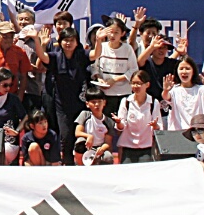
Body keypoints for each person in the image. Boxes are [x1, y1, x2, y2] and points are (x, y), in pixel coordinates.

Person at [42, 27, 91, 165]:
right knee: (65, 135)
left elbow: (95, 55)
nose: (68, 43)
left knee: (79, 136)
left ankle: (82, 162)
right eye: (65, 40)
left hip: (80, 102)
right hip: (61, 104)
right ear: (60, 42)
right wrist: (41, 43)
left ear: (77, 42)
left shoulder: (81, 55)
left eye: (71, 40)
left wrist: (99, 40)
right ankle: (67, 162)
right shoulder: (55, 57)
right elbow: (42, 57)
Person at [91, 19, 138, 113]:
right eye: (110, 32)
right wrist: (99, 78)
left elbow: (134, 70)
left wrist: (115, 80)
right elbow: (94, 67)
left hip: (123, 93)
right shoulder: (102, 47)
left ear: (122, 33)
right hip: (105, 94)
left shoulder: (127, 48)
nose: (112, 35)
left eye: (116, 32)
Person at [163, 55, 204, 136]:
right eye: (181, 69)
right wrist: (166, 90)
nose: (184, 71)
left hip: (197, 132)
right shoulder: (174, 90)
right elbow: (166, 97)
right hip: (178, 132)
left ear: (193, 71)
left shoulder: (201, 89)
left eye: (187, 68)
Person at [116, 70, 160, 163]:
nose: (135, 86)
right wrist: (119, 123)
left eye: (139, 83)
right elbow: (121, 126)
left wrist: (155, 125)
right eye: (133, 83)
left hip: (146, 147)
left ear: (147, 84)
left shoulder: (154, 103)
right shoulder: (126, 101)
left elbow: (159, 127)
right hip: (127, 146)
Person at [74, 85, 119, 165]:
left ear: (104, 102)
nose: (97, 104)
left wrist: (102, 149)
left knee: (108, 157)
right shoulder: (84, 114)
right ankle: (80, 165)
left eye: (99, 101)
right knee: (80, 141)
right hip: (87, 146)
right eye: (93, 102)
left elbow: (108, 142)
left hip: (99, 148)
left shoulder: (109, 122)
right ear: (87, 104)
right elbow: (77, 132)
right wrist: (89, 136)